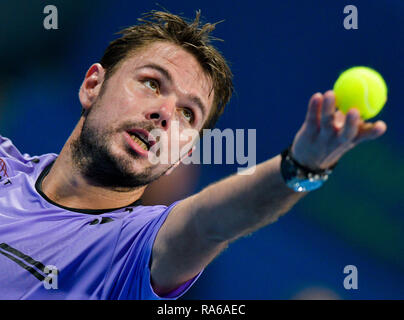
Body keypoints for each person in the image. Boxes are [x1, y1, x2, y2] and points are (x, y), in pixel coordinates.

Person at [0, 10, 387, 300]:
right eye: (152, 83)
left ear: (183, 151)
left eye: (188, 114)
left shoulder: (133, 248)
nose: (165, 114)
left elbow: (208, 222)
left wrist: (302, 165)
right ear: (92, 85)